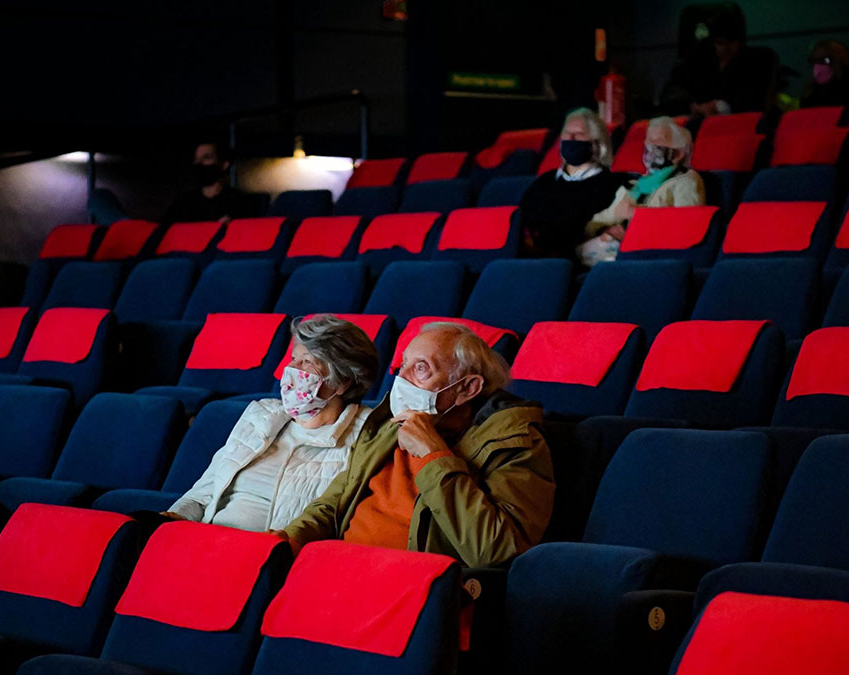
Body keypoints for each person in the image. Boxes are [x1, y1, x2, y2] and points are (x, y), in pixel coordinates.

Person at [276, 322, 555, 568]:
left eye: (421, 368)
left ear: (467, 388)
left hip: (415, 587)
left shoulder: (516, 443)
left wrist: (434, 454)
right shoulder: (387, 426)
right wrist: (288, 541)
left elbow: (496, 550)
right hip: (341, 569)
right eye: (403, 365)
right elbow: (332, 505)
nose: (401, 379)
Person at [162, 315, 380, 532]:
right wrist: (171, 520)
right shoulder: (260, 416)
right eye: (293, 358)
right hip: (205, 540)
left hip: (272, 554)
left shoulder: (365, 438)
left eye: (307, 362)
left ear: (342, 382)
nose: (291, 369)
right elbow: (202, 495)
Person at [579, 117, 707, 266]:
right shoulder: (636, 185)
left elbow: (687, 226)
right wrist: (603, 229)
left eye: (657, 141)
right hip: (615, 247)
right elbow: (603, 218)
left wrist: (638, 216)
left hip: (651, 256)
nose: (649, 146)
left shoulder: (687, 180)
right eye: (648, 141)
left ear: (678, 153)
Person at [518, 108, 628, 259]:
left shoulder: (610, 185)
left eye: (579, 134)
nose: (571, 138)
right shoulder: (545, 181)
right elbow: (522, 220)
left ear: (596, 143)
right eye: (567, 133)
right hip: (530, 258)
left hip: (575, 263)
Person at [659, 3, 778, 118]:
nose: (726, 49)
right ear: (713, 42)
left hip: (737, 129)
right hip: (698, 130)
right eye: (720, 43)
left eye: (731, 42)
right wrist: (691, 106)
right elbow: (672, 93)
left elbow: (754, 99)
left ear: (740, 42)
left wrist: (720, 107)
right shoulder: (696, 63)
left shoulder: (755, 62)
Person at [162, 141, 259, 224]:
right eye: (196, 159)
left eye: (206, 157)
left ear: (224, 165)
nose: (198, 163)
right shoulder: (184, 203)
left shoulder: (240, 202)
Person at [800, 40, 849, 112]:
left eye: (825, 60)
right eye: (814, 60)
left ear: (839, 60)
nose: (818, 65)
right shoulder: (810, 91)